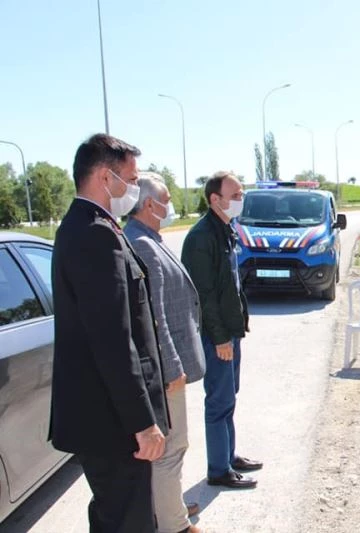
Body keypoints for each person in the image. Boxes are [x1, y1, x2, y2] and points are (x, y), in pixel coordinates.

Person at [50, 133, 168, 532]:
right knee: (129, 521)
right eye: (130, 179)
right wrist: (143, 422)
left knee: (115, 517)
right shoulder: (94, 234)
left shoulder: (91, 226)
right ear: (105, 177)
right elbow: (113, 340)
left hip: (107, 418)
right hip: (113, 423)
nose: (134, 188)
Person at [124, 174, 206, 533]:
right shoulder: (141, 243)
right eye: (166, 199)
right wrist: (171, 368)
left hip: (168, 368)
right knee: (172, 448)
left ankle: (168, 504)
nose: (170, 205)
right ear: (148, 205)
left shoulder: (150, 238)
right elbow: (154, 316)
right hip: (165, 372)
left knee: (173, 448)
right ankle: (174, 524)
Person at [181, 170, 261, 489]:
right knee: (218, 401)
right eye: (236, 195)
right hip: (218, 336)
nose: (241, 200)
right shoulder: (202, 237)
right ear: (216, 200)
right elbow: (204, 295)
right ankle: (218, 469)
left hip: (230, 331)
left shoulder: (226, 228)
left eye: (242, 194)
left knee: (229, 396)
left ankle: (228, 456)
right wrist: (219, 338)